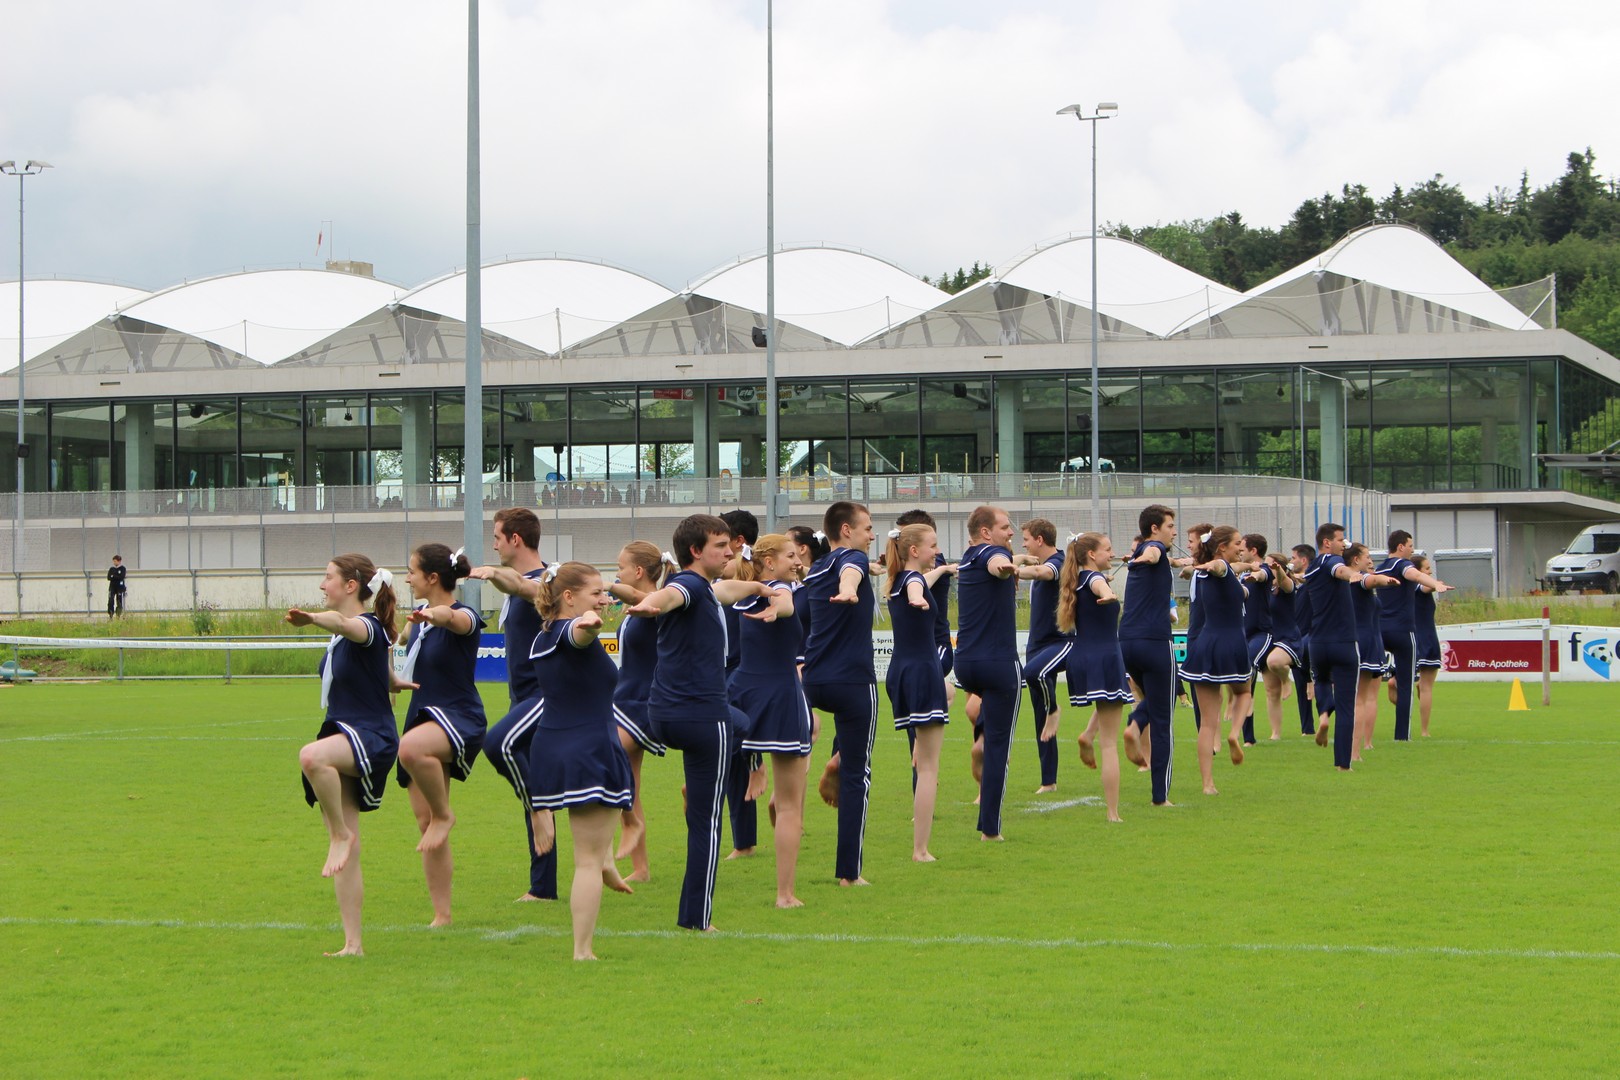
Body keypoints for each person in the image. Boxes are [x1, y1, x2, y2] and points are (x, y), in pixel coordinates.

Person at [625, 515, 772, 930]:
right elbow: (671, 595)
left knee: (742, 722)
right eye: (720, 546)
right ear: (695, 551)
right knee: (707, 823)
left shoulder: (705, 587)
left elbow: (724, 591)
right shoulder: (687, 586)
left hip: (664, 715)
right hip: (702, 716)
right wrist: (651, 604)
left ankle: (735, 768)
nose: (730, 552)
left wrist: (758, 587)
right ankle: (697, 920)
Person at [523, 561, 636, 960]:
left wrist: (589, 619)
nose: (604, 599)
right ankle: (582, 950)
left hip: (550, 747)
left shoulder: (542, 636)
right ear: (568, 597)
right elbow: (580, 633)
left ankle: (606, 861)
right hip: (589, 749)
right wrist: (588, 623)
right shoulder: (573, 630)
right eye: (596, 593)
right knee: (585, 861)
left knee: (595, 842)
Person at [291, 554, 400, 957]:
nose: (323, 585)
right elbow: (374, 665)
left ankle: (340, 833)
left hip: (369, 736)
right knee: (347, 857)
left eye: (328, 577)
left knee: (311, 758)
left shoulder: (365, 625)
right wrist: (394, 681)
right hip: (343, 732)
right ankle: (353, 944)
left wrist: (312, 618)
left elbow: (345, 625)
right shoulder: (351, 637)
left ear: (351, 586)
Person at [465, 507, 557, 902]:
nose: (494, 545)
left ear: (515, 539)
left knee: (498, 744)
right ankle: (542, 888)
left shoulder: (549, 581)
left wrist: (491, 572)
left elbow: (522, 586)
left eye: (497, 538)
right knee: (532, 778)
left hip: (547, 696)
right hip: (522, 698)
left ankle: (541, 810)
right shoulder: (524, 582)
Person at [395, 542, 486, 928]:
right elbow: (401, 642)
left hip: (457, 716)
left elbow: (454, 619)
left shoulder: (465, 616)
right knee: (424, 822)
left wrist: (434, 614)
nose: (407, 578)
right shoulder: (419, 623)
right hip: (421, 714)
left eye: (412, 571)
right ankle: (442, 915)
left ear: (433, 578)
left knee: (411, 749)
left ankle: (446, 815)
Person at [729, 534, 813, 905]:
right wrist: (777, 607)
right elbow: (785, 601)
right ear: (768, 562)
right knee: (790, 807)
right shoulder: (779, 590)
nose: (798, 562)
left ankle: (752, 761)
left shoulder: (746, 594)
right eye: (791, 555)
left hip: (744, 692)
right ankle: (785, 894)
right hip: (779, 695)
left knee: (745, 741)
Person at [799, 501, 880, 883]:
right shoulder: (852, 558)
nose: (872, 535)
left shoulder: (816, 569)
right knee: (857, 775)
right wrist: (849, 589)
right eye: (867, 528)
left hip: (814, 679)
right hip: (852, 680)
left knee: (792, 754)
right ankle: (849, 873)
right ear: (846, 530)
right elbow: (851, 570)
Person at [883, 522, 957, 861]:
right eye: (933, 545)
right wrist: (918, 601)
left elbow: (921, 581)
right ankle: (921, 850)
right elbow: (917, 588)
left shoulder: (898, 578)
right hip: (921, 672)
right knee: (929, 769)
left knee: (949, 693)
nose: (937, 551)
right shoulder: (911, 582)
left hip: (901, 672)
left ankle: (918, 742)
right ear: (914, 550)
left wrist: (942, 570)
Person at [1115, 505, 1192, 806]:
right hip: (1155, 642)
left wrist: (1180, 561)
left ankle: (1137, 720)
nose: (1174, 531)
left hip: (1127, 642)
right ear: (1154, 529)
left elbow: (1160, 558)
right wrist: (1148, 557)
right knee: (1163, 718)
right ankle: (1160, 797)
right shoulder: (1153, 549)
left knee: (1154, 701)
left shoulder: (1145, 552)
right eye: (1170, 526)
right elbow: (1154, 554)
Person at [954, 505, 1022, 841]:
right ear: (985, 532)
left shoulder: (968, 557)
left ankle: (979, 731)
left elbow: (993, 562)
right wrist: (1007, 566)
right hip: (998, 663)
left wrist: (1019, 561)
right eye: (1005, 527)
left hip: (966, 664)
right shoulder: (994, 554)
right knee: (999, 747)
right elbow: (997, 563)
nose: (1011, 532)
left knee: (986, 721)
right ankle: (990, 830)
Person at [1058, 532, 1134, 822]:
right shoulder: (1094, 579)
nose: (1112, 553)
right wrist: (1108, 594)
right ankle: (1113, 812)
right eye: (1107, 549)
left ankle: (1088, 734)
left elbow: (1097, 585)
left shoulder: (1077, 579)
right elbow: (1100, 587)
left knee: (1112, 702)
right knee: (1110, 744)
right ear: (1091, 554)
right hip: (1105, 658)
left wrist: (1105, 585)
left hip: (1083, 657)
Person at [1306, 523, 1394, 771]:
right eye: (1340, 540)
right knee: (1347, 706)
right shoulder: (1332, 561)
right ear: (1327, 543)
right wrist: (1352, 575)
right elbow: (1339, 569)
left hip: (1317, 642)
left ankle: (1324, 715)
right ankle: (1343, 764)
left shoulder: (1311, 568)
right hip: (1344, 643)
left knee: (1322, 682)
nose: (1344, 544)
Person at [607, 541, 670, 883]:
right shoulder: (634, 606)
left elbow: (639, 598)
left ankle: (624, 830)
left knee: (607, 760)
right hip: (624, 699)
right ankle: (640, 868)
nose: (617, 573)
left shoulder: (655, 603)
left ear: (639, 571)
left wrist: (603, 585)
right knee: (627, 780)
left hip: (644, 703)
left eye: (620, 567)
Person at [1182, 526, 1255, 795]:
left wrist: (1248, 568)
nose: (1241, 547)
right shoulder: (1219, 566)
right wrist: (1211, 564)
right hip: (1232, 644)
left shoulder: (1211, 573)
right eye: (1237, 543)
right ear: (1222, 547)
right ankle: (1234, 733)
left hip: (1205, 644)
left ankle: (1208, 784)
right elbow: (1220, 566)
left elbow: (1230, 569)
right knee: (1244, 692)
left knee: (1206, 724)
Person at [1375, 531, 1452, 741]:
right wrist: (1435, 584)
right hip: (1403, 631)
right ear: (1400, 547)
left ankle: (1362, 735)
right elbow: (1414, 575)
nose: (1412, 549)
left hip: (1380, 630)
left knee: (1369, 686)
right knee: (1407, 686)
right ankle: (1402, 735)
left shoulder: (1380, 568)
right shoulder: (1402, 565)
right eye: (1410, 545)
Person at [719, 509, 765, 860]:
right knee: (730, 755)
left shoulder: (752, 576)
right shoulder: (719, 579)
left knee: (737, 747)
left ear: (738, 542)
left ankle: (755, 764)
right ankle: (743, 842)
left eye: (721, 541)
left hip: (741, 671)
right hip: (718, 671)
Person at [1015, 519, 1070, 793]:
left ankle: (1054, 709)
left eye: (1026, 539)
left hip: (1060, 642)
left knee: (1032, 674)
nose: (1023, 544)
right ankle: (1048, 781)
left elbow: (1043, 572)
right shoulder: (1039, 561)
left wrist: (1015, 569)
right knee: (1040, 716)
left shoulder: (1058, 562)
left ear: (1039, 539)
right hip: (1036, 645)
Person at [1345, 542, 1399, 761]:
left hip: (1367, 641)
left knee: (1360, 697)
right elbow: (1372, 580)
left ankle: (1361, 744)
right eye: (1367, 556)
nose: (1370, 560)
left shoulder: (1346, 579)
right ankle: (1357, 749)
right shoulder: (1359, 579)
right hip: (1364, 642)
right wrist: (1385, 580)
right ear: (1355, 560)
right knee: (1362, 698)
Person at [1257, 541, 1303, 741]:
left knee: (1275, 662)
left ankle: (1286, 680)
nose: (1267, 569)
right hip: (1269, 638)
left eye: (1271, 566)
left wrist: (1279, 571)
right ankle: (1275, 733)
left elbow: (1284, 581)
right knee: (1270, 690)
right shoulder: (1264, 588)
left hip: (1288, 637)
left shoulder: (1287, 586)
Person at [1412, 554, 1444, 737]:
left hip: (1413, 639)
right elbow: (1425, 587)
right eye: (1427, 568)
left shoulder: (1406, 589)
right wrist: (1436, 585)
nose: (1430, 572)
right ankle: (1425, 731)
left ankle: (1396, 683)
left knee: (1416, 683)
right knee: (1427, 687)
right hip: (1427, 640)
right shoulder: (1418, 587)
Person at [1291, 544, 1320, 736]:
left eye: (1293, 558)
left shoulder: (1314, 582)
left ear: (1303, 560)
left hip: (1312, 638)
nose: (1291, 561)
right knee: (1301, 686)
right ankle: (1307, 728)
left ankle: (1324, 718)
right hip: (1297, 639)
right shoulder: (1295, 585)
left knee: (1320, 683)